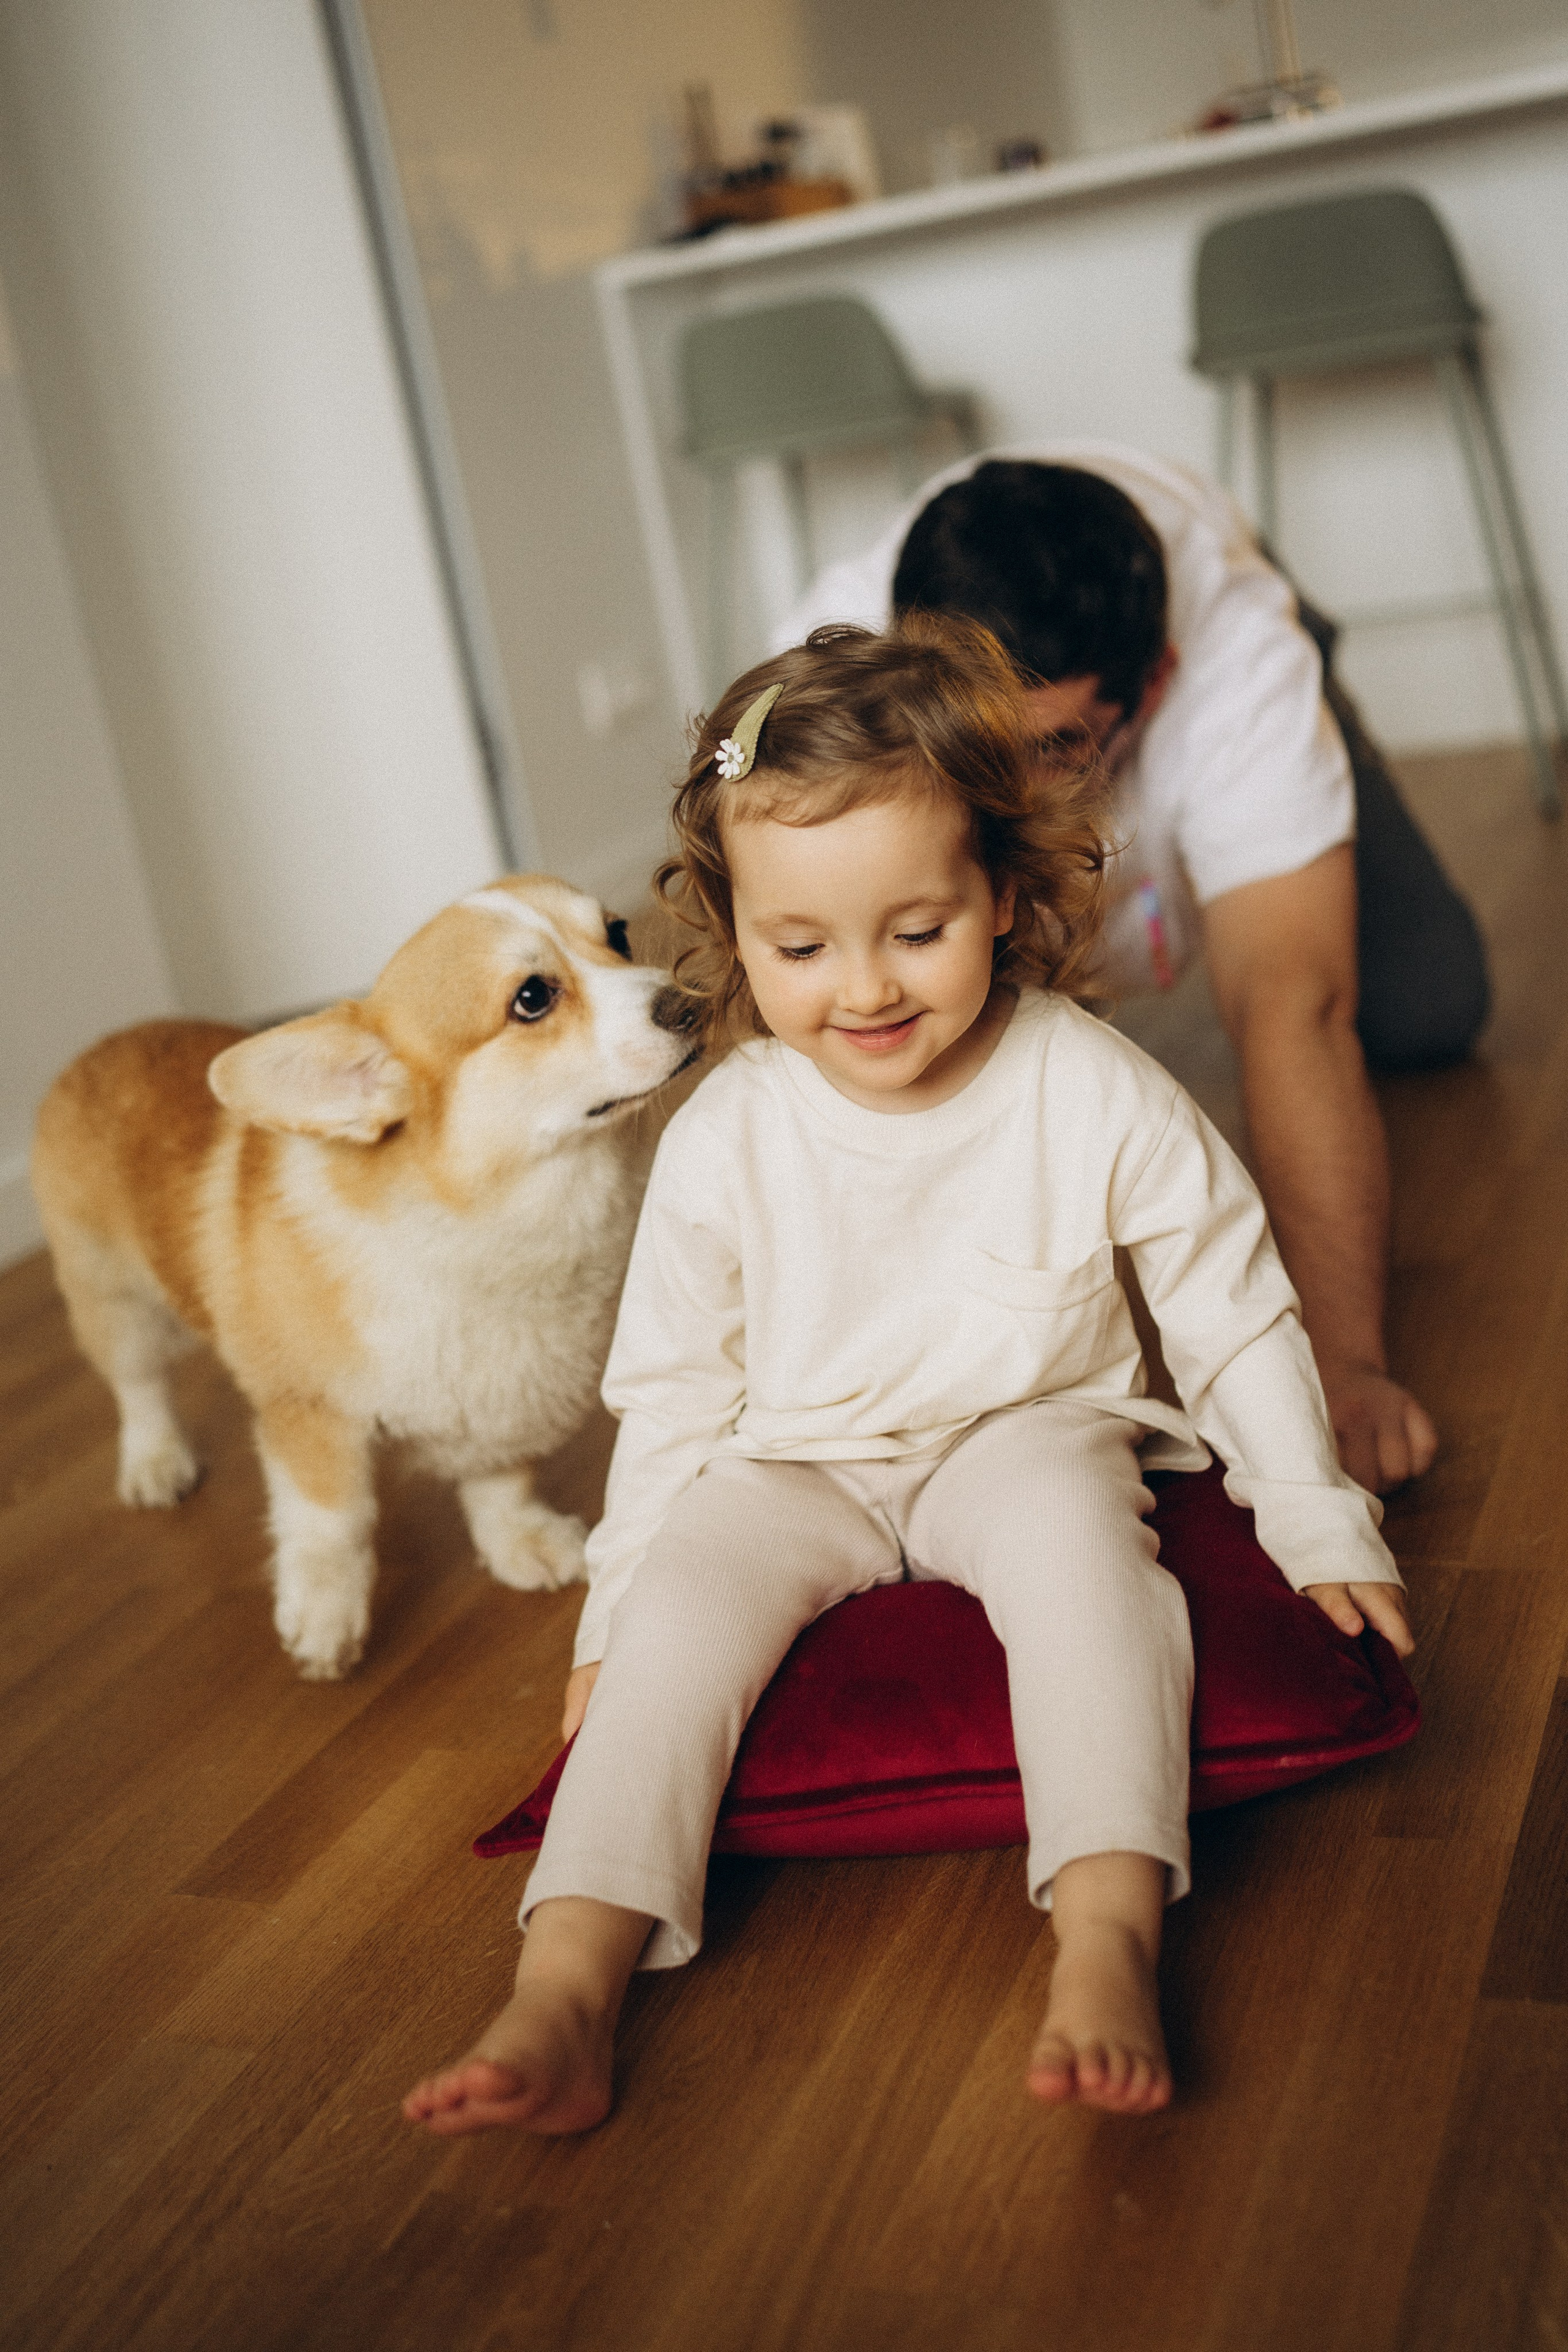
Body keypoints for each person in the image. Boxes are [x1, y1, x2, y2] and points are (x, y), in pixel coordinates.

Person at [402, 616, 1410, 2137]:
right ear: (734, 928)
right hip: (789, 1460)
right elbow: (674, 1398)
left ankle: (1108, 1938)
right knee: (677, 1616)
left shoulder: (1086, 1083)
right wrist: (614, 1616)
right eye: (798, 948)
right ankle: (565, 1986)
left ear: (1002, 896)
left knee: (1088, 1576)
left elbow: (1227, 1305)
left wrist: (1315, 1520)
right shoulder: (728, 1132)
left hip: (1023, 1435)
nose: (861, 990)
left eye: (915, 932)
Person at [778, 445, 1494, 1499]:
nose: (999, 795)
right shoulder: (836, 648)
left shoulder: (1236, 658)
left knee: (1429, 1003)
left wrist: (1341, 1370)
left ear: (1151, 686)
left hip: (1231, 616)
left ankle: (1321, 743)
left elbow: (1294, 1004)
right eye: (970, 741)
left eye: (1046, 747)